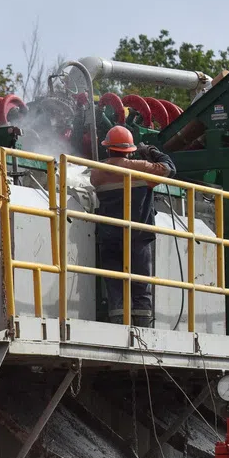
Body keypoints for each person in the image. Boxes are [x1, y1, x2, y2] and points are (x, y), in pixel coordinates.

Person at [89, 125, 176, 328]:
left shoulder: (97, 173)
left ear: (107, 148)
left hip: (108, 235)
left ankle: (118, 322)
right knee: (140, 283)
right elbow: (170, 168)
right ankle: (142, 326)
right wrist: (151, 151)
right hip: (136, 235)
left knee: (114, 283)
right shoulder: (140, 168)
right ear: (130, 149)